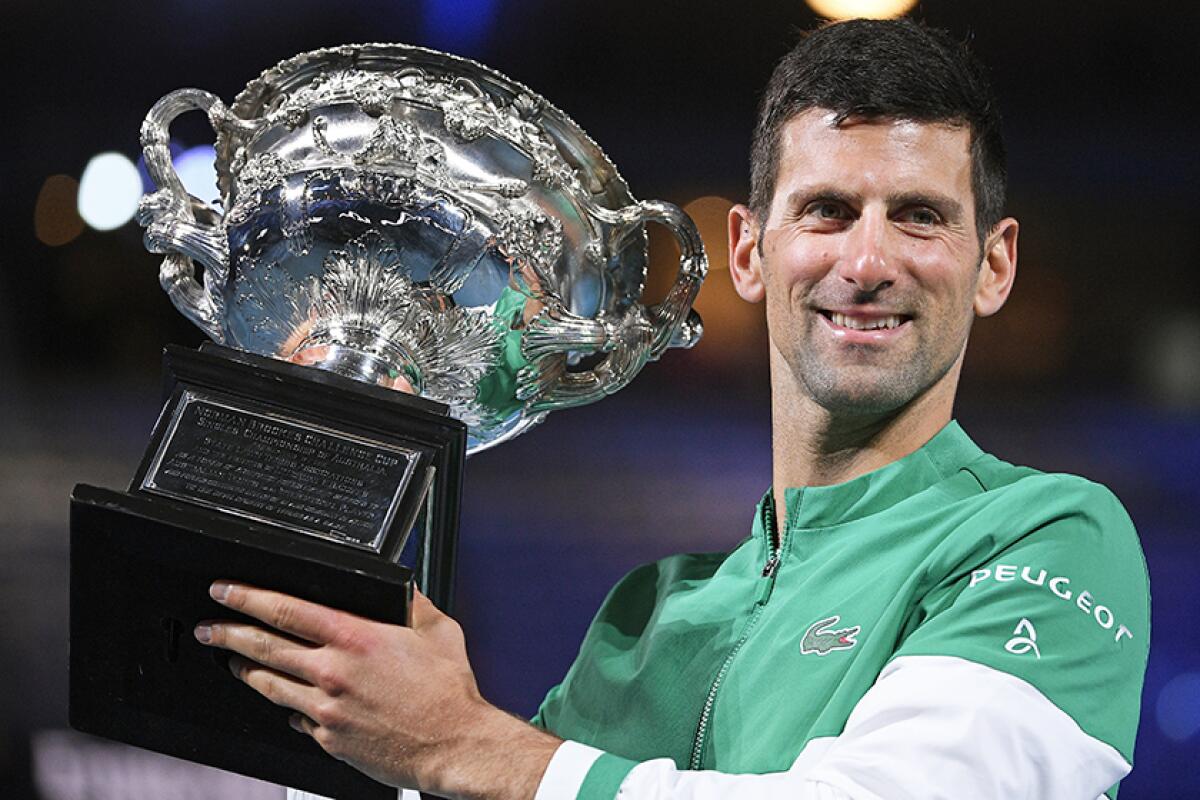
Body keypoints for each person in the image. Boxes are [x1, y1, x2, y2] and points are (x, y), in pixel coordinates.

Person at [193, 18, 1150, 800]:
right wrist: (337, 669)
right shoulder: (646, 622)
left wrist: (465, 746)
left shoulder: (1044, 538)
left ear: (995, 265)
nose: (866, 264)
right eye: (825, 211)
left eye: (920, 216)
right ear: (747, 252)